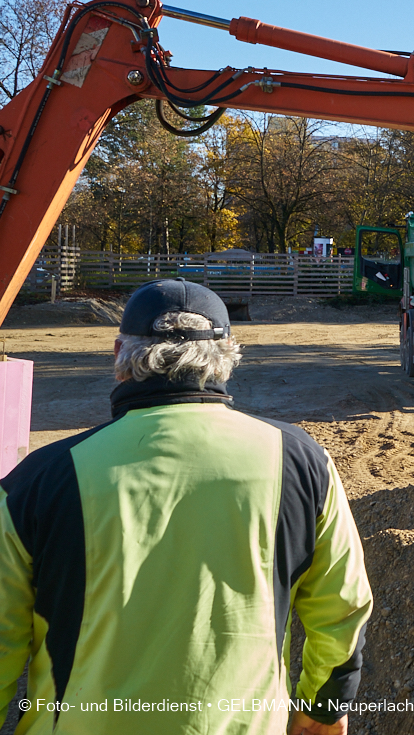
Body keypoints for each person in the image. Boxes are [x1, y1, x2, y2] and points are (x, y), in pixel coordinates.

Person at [0, 279, 372, 735]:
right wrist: (322, 711)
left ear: (119, 354)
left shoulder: (38, 479)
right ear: (228, 357)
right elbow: (343, 607)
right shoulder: (300, 461)